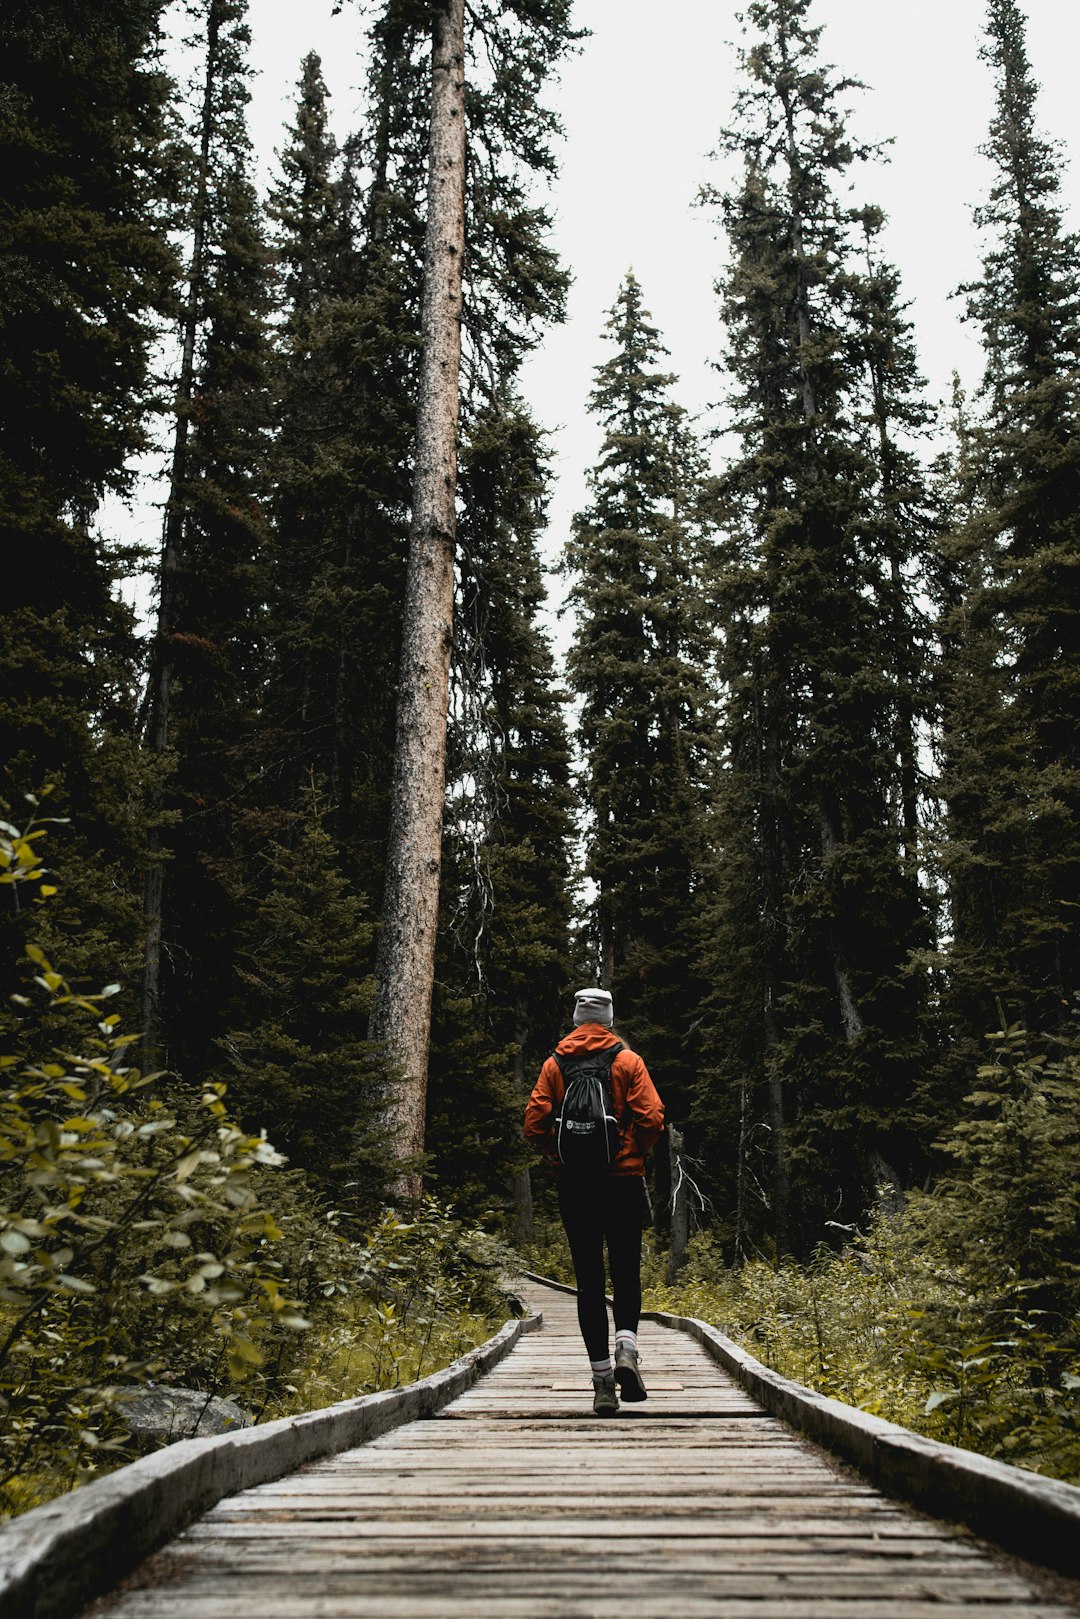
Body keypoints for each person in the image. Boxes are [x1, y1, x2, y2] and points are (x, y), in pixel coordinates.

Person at [524, 987, 665, 1416]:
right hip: (622, 1181)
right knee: (625, 1272)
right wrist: (634, 1153)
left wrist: (558, 1154)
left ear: (576, 1019)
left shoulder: (555, 1064)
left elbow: (534, 1122)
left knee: (589, 1280)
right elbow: (653, 1117)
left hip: (576, 1184)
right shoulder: (627, 1061)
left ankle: (603, 1382)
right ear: (607, 1019)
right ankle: (627, 1349)